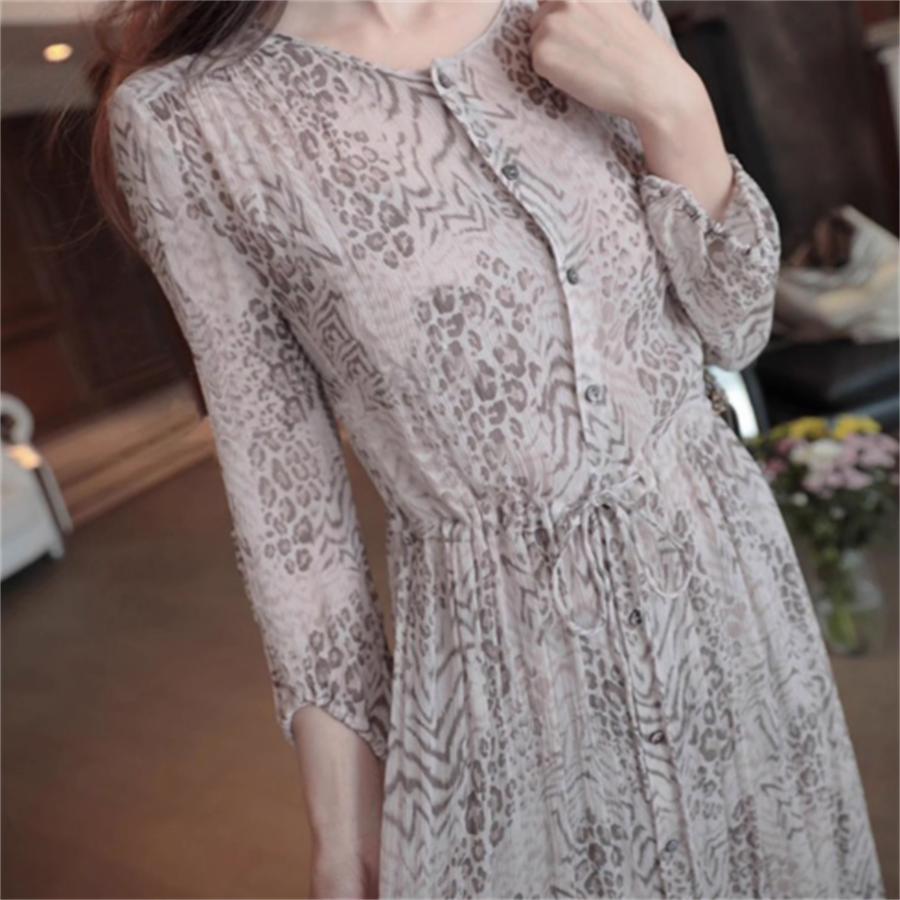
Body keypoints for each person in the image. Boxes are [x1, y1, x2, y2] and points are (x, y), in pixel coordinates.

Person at [93, 0, 886, 897]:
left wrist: (675, 104)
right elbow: (289, 509)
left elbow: (735, 325)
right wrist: (343, 826)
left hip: (731, 592)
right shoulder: (189, 119)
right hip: (506, 668)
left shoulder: (583, 6)